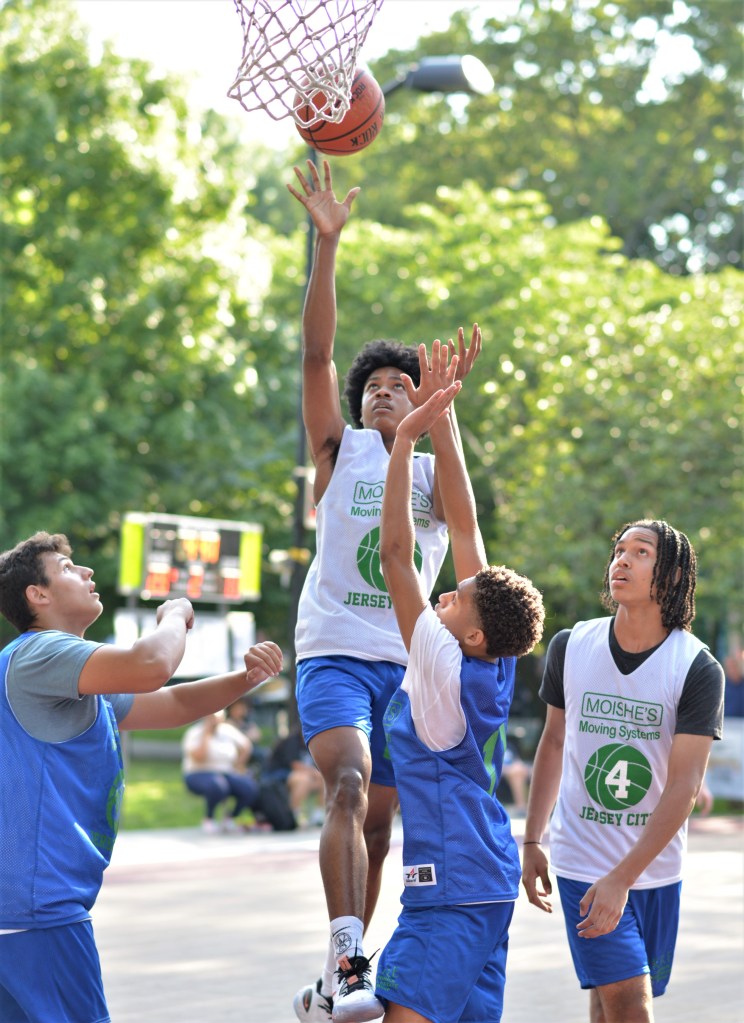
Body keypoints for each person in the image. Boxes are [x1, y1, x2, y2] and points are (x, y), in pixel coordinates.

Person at [286, 159, 481, 1023]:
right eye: (374, 388)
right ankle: (348, 956)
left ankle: (339, 980)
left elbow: (468, 536)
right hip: (333, 652)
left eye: (401, 386)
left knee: (378, 824)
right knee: (348, 783)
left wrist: (446, 416)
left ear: (424, 401)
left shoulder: (434, 473)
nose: (383, 394)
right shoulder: (340, 453)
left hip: (406, 665)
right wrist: (326, 244)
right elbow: (316, 353)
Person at [0, 531, 283, 1023]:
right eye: (66, 568)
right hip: (37, 909)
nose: (86, 571)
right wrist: (175, 615)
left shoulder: (75, 678)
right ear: (37, 595)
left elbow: (172, 704)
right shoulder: (41, 652)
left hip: (26, 910)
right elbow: (151, 665)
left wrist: (246, 680)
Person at [375, 349, 545, 1023]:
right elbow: (467, 527)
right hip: (483, 880)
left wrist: (406, 441)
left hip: (451, 886)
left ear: (471, 632)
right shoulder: (494, 656)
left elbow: (396, 556)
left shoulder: (442, 661)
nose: (444, 592)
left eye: (453, 599)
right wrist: (443, 416)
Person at [521, 519, 725, 1023]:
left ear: (671, 574)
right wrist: (532, 839)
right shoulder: (572, 645)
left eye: (641, 552)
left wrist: (624, 878)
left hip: (656, 869)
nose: (623, 560)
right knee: (630, 1004)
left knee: (607, 999)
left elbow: (684, 786)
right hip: (582, 860)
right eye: (619, 550)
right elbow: (554, 742)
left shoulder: (697, 668)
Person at [182, 709, 261, 833]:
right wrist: (207, 733)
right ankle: (209, 818)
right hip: (199, 773)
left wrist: (238, 764)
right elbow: (199, 756)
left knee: (249, 787)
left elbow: (246, 746)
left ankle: (231, 818)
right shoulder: (195, 733)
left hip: (226, 773)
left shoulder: (227, 731)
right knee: (218, 785)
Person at [264, 723, 325, 825]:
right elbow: (295, 765)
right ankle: (294, 814)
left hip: (303, 775)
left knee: (324, 779)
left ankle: (318, 814)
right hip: (279, 775)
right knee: (303, 780)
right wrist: (314, 772)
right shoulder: (292, 741)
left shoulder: (314, 742)